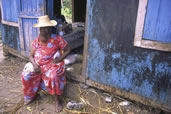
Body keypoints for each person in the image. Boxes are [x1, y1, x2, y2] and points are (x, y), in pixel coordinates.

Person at [21, 15, 70, 112]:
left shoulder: (57, 39)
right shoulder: (35, 42)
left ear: (50, 28)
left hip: (52, 65)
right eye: (42, 27)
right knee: (25, 75)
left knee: (53, 76)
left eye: (47, 27)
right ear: (39, 29)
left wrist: (59, 59)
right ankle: (32, 96)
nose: (45, 30)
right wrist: (35, 65)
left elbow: (68, 49)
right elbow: (30, 56)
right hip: (38, 66)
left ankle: (57, 100)